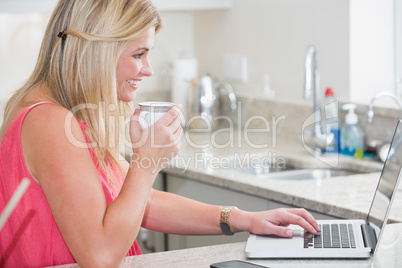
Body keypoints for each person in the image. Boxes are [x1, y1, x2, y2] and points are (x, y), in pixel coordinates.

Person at [0, 0, 320, 267]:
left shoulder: (53, 113)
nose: (148, 69)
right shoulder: (51, 123)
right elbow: (99, 255)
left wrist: (243, 219)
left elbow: (142, 201)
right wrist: (147, 162)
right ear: (96, 53)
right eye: (138, 55)